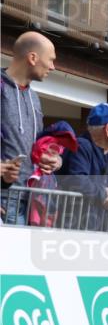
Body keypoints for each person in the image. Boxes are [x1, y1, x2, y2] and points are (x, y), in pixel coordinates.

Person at [2, 32, 60, 222]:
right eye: (50, 60)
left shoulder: (34, 98)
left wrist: (51, 159)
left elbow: (33, 145)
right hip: (3, 201)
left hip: (29, 202)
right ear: (33, 58)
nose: (53, 66)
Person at [59, 103, 108, 230]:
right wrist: (104, 194)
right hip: (75, 229)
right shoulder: (82, 146)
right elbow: (76, 180)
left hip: (97, 229)